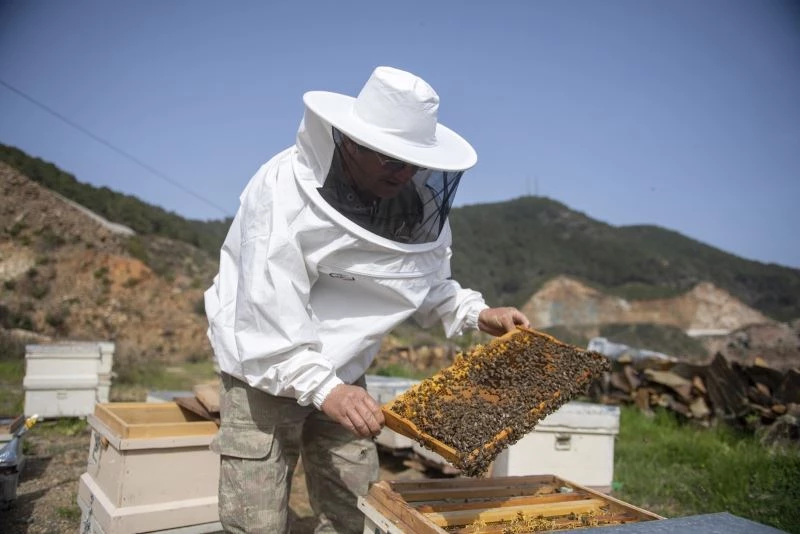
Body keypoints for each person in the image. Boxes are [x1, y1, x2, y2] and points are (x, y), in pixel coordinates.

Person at [204, 65, 530, 533]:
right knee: (255, 519)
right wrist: (323, 390)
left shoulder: (413, 205)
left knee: (355, 511)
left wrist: (476, 312)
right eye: (392, 161)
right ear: (352, 144)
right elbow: (267, 311)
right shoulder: (282, 192)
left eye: (415, 163)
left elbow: (424, 280)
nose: (406, 174)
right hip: (265, 371)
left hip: (346, 373)